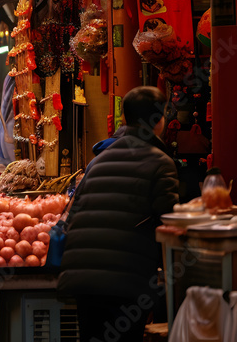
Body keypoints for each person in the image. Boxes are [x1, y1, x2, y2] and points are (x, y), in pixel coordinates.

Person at [58, 86, 179, 341]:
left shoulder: (97, 161)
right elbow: (168, 225)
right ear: (158, 121)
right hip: (126, 281)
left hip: (84, 278)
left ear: (126, 118)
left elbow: (72, 215)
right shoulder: (161, 163)